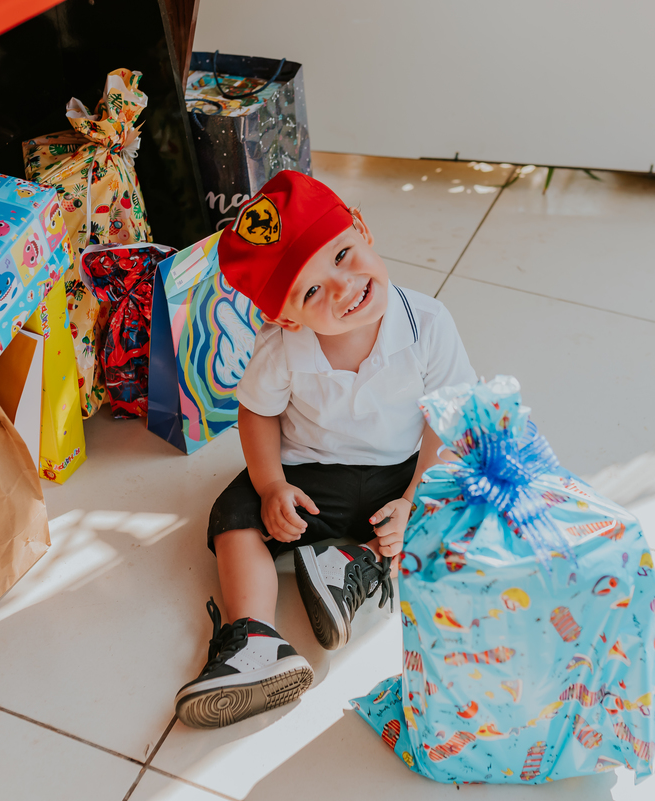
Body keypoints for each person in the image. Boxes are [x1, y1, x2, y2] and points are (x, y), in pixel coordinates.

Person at [175, 171, 476, 728]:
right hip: (307, 477)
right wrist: (269, 486)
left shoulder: (428, 325)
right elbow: (258, 413)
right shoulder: (283, 348)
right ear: (286, 316)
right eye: (311, 290)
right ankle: (256, 643)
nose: (342, 287)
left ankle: (352, 566)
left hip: (398, 474)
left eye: (342, 254)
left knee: (457, 502)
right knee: (231, 517)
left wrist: (414, 497)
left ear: (361, 228)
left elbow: (450, 421)